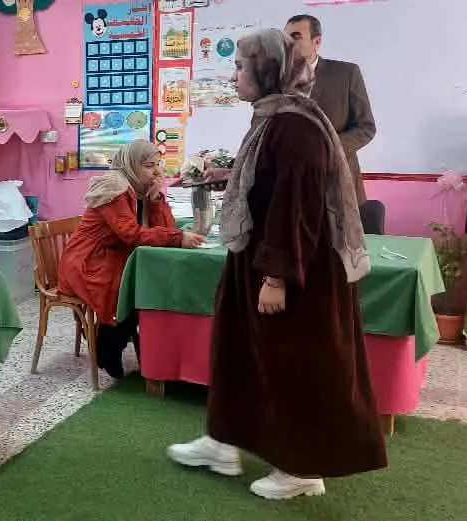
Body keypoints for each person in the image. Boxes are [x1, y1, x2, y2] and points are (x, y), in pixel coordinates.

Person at [166, 28, 387, 500]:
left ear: (267, 71)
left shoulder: (295, 127)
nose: (233, 76)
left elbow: (295, 205)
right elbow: (269, 184)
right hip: (259, 258)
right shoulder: (274, 118)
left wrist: (277, 276)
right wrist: (232, 177)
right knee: (238, 350)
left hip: (294, 269)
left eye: (240, 66)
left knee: (294, 364)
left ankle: (301, 468)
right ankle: (223, 442)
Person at [57, 140, 206, 379]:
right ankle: (109, 347)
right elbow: (131, 234)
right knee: (130, 288)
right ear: (131, 164)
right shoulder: (114, 187)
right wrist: (177, 238)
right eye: (149, 166)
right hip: (89, 260)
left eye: (157, 165)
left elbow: (164, 228)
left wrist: (155, 200)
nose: (156, 172)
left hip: (115, 254)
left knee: (143, 284)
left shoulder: (139, 188)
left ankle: (116, 343)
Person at [284, 14, 375, 203]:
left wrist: (326, 148)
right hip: (290, 186)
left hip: (337, 183)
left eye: (296, 37)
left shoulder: (345, 74)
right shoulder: (277, 79)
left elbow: (366, 128)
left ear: (316, 41)